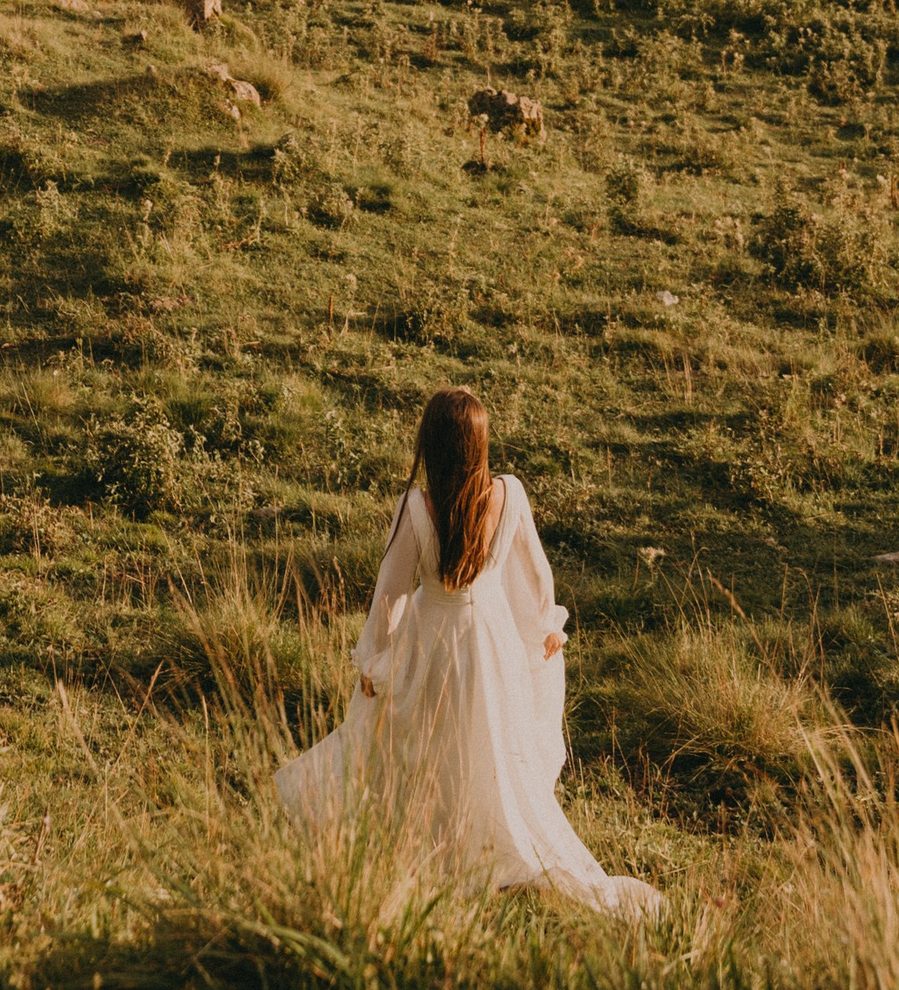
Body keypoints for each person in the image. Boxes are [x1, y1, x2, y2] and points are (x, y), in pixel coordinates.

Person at [276, 385, 659, 920]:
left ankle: (435, 840)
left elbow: (390, 590)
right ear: (479, 445)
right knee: (489, 740)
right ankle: (490, 839)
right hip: (491, 639)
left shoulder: (417, 507)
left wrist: (377, 659)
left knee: (425, 742)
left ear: (430, 445)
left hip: (431, 639)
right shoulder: (510, 495)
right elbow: (534, 570)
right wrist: (543, 622)